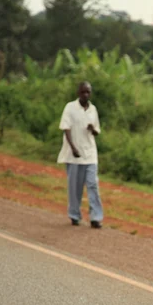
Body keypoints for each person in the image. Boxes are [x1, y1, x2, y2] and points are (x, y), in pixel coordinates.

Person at [58, 81, 103, 228]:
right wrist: (73, 148)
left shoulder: (93, 109)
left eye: (88, 92)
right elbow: (66, 128)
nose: (86, 95)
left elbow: (97, 130)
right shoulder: (70, 108)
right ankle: (74, 215)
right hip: (74, 156)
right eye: (83, 92)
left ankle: (96, 217)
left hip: (90, 154)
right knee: (75, 188)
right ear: (78, 93)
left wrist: (93, 129)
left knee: (92, 184)